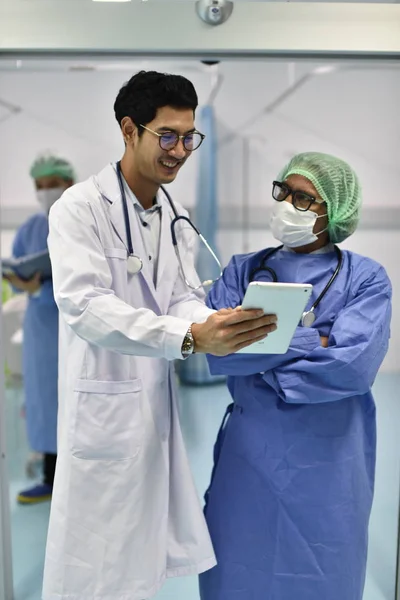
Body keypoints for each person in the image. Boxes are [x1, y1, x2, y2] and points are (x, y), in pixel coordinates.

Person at [42, 70, 277, 600]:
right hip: (103, 407)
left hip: (151, 405)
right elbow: (85, 306)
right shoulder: (78, 210)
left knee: (142, 560)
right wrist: (191, 336)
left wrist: (215, 319)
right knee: (95, 565)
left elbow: (179, 297)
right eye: (166, 136)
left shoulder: (174, 215)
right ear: (129, 130)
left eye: (189, 137)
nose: (179, 150)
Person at [199, 152, 392, 600]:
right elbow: (220, 350)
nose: (287, 203)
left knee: (323, 568)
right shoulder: (242, 269)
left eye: (303, 199)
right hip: (250, 455)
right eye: (283, 191)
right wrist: (315, 340)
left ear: (334, 212)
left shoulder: (366, 279)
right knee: (237, 563)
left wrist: (265, 347)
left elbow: (352, 366)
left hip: (329, 459)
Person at [4, 155, 75, 504]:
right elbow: (17, 273)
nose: (47, 192)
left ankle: (77, 479)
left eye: (53, 185)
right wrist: (23, 285)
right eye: (40, 187)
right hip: (40, 328)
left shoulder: (80, 222)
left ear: (69, 184)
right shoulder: (31, 228)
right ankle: (50, 477)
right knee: (45, 401)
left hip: (73, 324)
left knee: (74, 399)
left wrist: (42, 290)